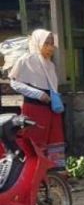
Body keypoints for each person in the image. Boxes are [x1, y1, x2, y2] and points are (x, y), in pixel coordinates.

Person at [8, 29, 66, 169]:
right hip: (34, 108)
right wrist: (37, 94)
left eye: (52, 43)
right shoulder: (27, 60)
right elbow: (14, 82)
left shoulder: (50, 64)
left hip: (51, 108)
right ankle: (36, 173)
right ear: (37, 43)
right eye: (46, 43)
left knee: (54, 140)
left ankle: (54, 174)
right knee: (35, 141)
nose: (50, 47)